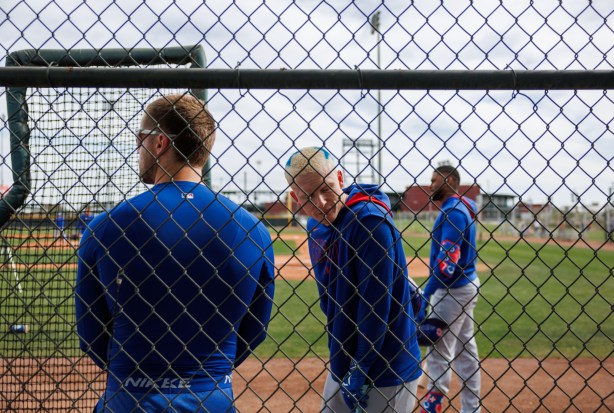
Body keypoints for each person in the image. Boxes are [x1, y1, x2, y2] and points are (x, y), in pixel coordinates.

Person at [75, 94, 275, 412]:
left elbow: (90, 334)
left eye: (139, 138)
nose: (136, 149)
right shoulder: (253, 230)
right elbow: (255, 329)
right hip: (212, 397)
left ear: (159, 142)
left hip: (130, 397)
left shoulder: (107, 226)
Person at [284, 147, 422, 413]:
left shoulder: (370, 222)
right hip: (344, 360)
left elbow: (375, 307)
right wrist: (345, 364)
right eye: (308, 196)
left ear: (340, 177)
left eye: (326, 189)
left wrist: (361, 367)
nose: (321, 202)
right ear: (295, 198)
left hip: (386, 365)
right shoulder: (316, 226)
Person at [416, 165, 480, 413]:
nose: (430, 185)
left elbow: (446, 264)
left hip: (452, 290)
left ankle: (431, 409)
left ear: (450, 180)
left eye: (435, 180)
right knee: (466, 353)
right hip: (466, 285)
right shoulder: (463, 207)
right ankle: (471, 409)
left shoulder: (453, 212)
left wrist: (426, 293)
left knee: (438, 354)